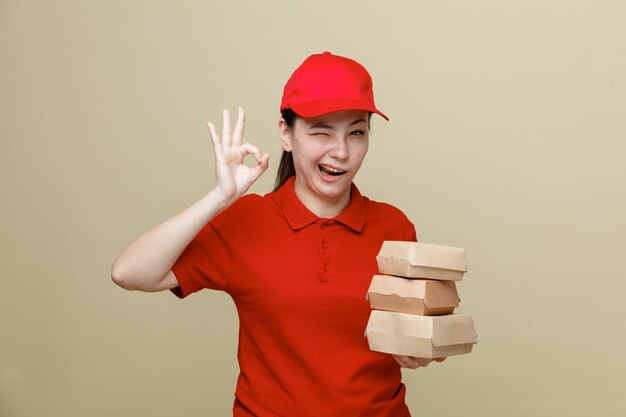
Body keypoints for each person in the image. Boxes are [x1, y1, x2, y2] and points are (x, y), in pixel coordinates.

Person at [112, 51, 445, 417]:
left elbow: (416, 328)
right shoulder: (247, 221)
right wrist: (219, 198)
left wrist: (422, 348)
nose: (342, 151)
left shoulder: (394, 227)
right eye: (321, 131)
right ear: (286, 133)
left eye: (357, 132)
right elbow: (129, 272)